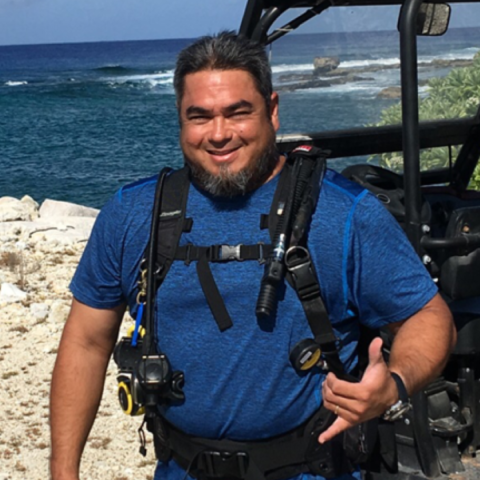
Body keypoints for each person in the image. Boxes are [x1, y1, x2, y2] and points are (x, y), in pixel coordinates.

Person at [50, 31, 456, 480]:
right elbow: (86, 343)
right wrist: (63, 471)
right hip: (181, 468)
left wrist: (392, 387)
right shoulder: (133, 214)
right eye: (199, 116)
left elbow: (428, 318)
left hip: (313, 469)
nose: (219, 134)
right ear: (180, 121)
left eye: (238, 113)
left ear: (273, 111)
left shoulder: (344, 213)